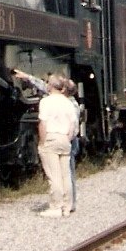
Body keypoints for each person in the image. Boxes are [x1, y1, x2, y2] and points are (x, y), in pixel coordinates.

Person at [35, 75, 76, 218]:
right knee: (66, 175)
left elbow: (43, 123)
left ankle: (56, 207)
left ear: (50, 86)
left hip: (51, 137)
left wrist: (42, 142)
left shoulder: (46, 102)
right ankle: (67, 206)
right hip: (65, 139)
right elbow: (72, 126)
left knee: (54, 176)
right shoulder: (68, 103)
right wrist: (67, 139)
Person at [64, 78, 83, 213]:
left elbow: (73, 126)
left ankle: (70, 202)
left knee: (68, 172)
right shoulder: (69, 102)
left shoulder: (70, 104)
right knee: (67, 172)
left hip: (69, 140)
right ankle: (68, 202)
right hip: (69, 139)